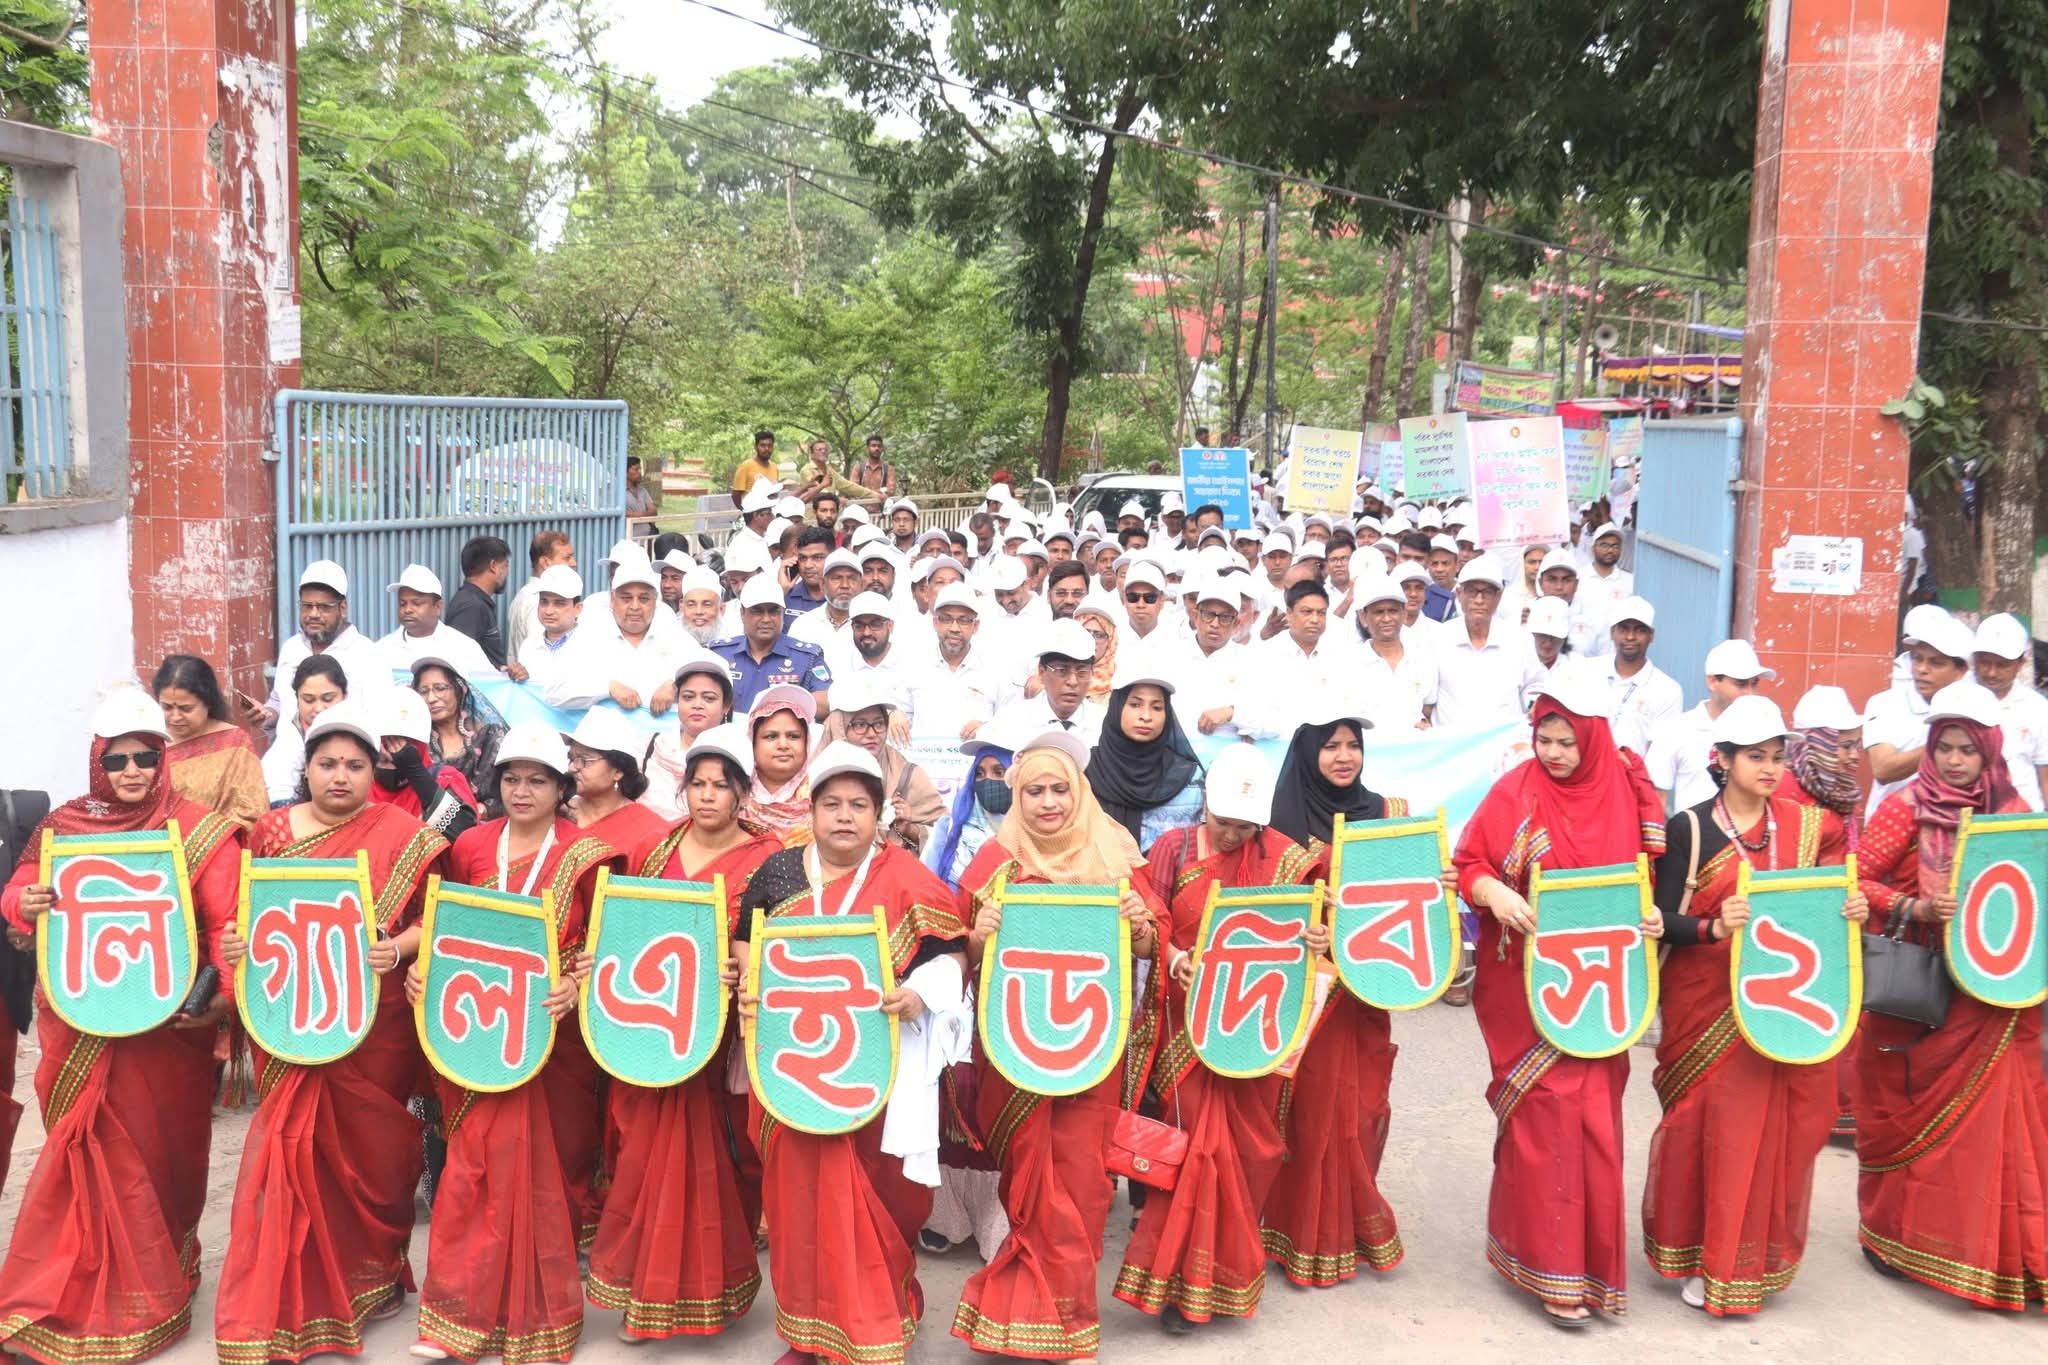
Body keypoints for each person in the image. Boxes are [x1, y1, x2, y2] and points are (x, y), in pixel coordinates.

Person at [0, 690, 243, 1363]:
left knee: (160, 1157)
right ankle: (56, 1294)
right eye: (118, 758)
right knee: (81, 1156)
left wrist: (219, 992)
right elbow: (17, 887)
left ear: (162, 758)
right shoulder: (64, 825)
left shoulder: (197, 828)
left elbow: (226, 922)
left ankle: (156, 1288)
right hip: (83, 1025)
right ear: (97, 761)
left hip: (169, 1031)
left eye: (146, 755)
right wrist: (28, 899)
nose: (133, 769)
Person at [213, 703, 451, 1360]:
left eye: (354, 764)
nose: (340, 776)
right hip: (290, 1017)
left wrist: (398, 948)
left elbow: (439, 918)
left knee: (369, 1157)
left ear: (373, 770)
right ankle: (283, 1296)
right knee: (287, 1150)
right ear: (307, 767)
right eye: (327, 763)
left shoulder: (403, 832)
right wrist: (235, 944)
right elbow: (247, 916)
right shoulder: (270, 831)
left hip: (375, 1022)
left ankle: (371, 1281)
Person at [733, 743, 967, 1365]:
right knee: (797, 1203)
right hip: (788, 1065)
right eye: (831, 804)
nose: (844, 817)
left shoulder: (909, 880)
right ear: (810, 812)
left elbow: (953, 957)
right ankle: (807, 1334)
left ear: (879, 814)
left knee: (879, 1198)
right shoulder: (778, 874)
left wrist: (921, 991)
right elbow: (742, 945)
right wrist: (750, 978)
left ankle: (879, 1321)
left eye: (858, 805)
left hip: (876, 1074)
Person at [1452, 672, 1667, 1326]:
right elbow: (1469, 864)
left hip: (1600, 994)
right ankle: (1549, 1268)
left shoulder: (1624, 796)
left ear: (1594, 740)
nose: (1553, 752)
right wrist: (1498, 895)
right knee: (1545, 1121)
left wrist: (1650, 916)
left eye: (1567, 741)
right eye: (1544, 738)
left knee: (1598, 1126)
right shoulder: (1513, 792)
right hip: (1525, 990)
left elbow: (1639, 884)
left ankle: (1595, 1271)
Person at [405, 724, 620, 1362]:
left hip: (552, 1039)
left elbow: (605, 944)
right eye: (511, 778)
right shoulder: (470, 845)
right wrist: (424, 970)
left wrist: (576, 986)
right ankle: (454, 1322)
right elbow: (444, 924)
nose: (522, 790)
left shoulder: (589, 853)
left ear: (561, 787)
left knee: (543, 1174)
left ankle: (539, 1318)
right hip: (476, 1030)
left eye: (537, 780)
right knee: (471, 1167)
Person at [1641, 696, 1861, 1316]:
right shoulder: (1686, 827)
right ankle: (1703, 1256)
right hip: (1706, 1005)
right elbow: (1659, 920)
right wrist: (1712, 928)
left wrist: (1850, 909)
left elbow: (1828, 899)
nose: (1768, 767)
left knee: (1780, 1133)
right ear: (1723, 759)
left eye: (1776, 756)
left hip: (1783, 1006)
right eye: (1754, 756)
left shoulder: (1807, 825)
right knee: (1711, 1133)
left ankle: (1751, 1258)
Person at [952, 731, 1165, 1360]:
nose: (1048, 803)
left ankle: (1066, 1322)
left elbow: (1155, 943)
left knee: (1078, 1182)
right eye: (1034, 791)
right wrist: (975, 936)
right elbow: (954, 951)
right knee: (1027, 1182)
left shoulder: (1117, 856)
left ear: (1080, 792)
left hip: (1090, 1050)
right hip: (1014, 1053)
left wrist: (1140, 925)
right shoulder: (995, 862)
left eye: (1059, 790)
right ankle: (1018, 1316)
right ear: (1016, 796)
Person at [1850, 680, 2048, 1306]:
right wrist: (1919, 906)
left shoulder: (2017, 815)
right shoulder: (1905, 805)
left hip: (1994, 1000)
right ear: (1930, 747)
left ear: (1990, 751)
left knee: (2004, 1128)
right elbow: (1859, 883)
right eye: (1945, 748)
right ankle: (1892, 1240)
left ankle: (2005, 1256)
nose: (1956, 761)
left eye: (1968, 749)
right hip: (1921, 999)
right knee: (1905, 1119)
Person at [1115, 745, 1322, 1332]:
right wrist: (1172, 951)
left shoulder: (1286, 859)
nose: (1231, 834)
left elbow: (1318, 917)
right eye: (1222, 820)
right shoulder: (1172, 849)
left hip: (1254, 1028)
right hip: (1184, 1028)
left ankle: (1223, 1276)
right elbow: (1146, 918)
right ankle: (1181, 1288)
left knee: (1246, 1152)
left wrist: (1316, 935)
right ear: (1203, 805)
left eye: (1244, 825)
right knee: (1195, 1154)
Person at [586, 725, 781, 1344]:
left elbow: (776, 941)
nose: (705, 796)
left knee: (714, 1165)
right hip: (645, 1036)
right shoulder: (652, 848)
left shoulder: (769, 858)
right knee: (640, 1159)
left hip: (715, 1041)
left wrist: (743, 963)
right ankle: (643, 1296)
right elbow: (623, 926)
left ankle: (700, 1294)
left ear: (742, 794)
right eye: (696, 783)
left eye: (720, 786)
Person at [1260, 707, 1419, 1282]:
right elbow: (1266, 908)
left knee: (1362, 1105)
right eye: (1330, 746)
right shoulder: (1281, 821)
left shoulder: (1386, 815)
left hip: (1368, 989)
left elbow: (1409, 894)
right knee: (1308, 1112)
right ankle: (1296, 1232)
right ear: (1308, 753)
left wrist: (1436, 882)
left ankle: (1347, 1225)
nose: (1344, 756)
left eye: (1352, 744)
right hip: (1309, 991)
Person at [542, 559, 693, 714]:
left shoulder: (675, 637)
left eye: (643, 599)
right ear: (612, 601)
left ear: (655, 602)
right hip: (602, 737)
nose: (635, 607)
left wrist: (676, 684)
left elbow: (712, 673)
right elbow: (553, 691)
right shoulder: (589, 636)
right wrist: (608, 688)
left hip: (662, 736)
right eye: (626, 598)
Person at [1862, 609, 1973, 817]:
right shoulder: (1884, 703)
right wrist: (1942, 742)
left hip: (1949, 827)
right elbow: (1883, 769)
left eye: (1936, 663)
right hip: (1889, 832)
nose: (1922, 669)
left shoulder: (1976, 708)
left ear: (1960, 671)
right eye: (1918, 659)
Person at [1646, 639, 1775, 811]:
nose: (1750, 693)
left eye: (1754, 684)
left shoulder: (1766, 731)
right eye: (1741, 684)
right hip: (1693, 835)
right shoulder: (1676, 730)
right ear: (1713, 681)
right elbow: (1655, 800)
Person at [258, 559, 386, 731]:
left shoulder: (367, 654)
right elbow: (279, 702)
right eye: (307, 606)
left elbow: (380, 718)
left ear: (342, 608)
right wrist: (266, 715)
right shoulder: (291, 648)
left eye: (324, 607)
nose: (313, 614)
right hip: (289, 753)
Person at [822, 676, 946, 853]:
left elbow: (945, 836)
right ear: (838, 727)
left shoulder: (905, 774)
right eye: (859, 724)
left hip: (890, 875)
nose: (872, 733)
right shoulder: (811, 774)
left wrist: (909, 830)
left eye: (879, 724)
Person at [1087, 669, 1205, 851]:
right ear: (1117, 707)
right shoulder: (1087, 769)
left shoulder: (1188, 777)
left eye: (1157, 707)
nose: (1146, 716)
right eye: (1135, 705)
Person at [1430, 556, 1546, 731]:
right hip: (1452, 749)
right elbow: (1424, 696)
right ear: (1459, 594)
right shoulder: (1438, 638)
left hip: (1506, 745)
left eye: (1487, 592)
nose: (1479, 600)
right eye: (1472, 591)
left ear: (1499, 597)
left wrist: (1534, 704)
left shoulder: (1519, 639)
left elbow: (1534, 685)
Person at [155, 652, 269, 828]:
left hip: (218, 848)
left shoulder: (234, 743)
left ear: (207, 702)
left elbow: (252, 811)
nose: (175, 717)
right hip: (159, 849)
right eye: (167, 707)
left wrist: (204, 837)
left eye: (186, 708)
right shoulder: (150, 742)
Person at [710, 577, 833, 716]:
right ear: (742, 613)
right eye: (757, 611)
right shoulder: (719, 654)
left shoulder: (807, 657)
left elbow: (827, 702)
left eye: (774, 611)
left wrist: (781, 707)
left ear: (783, 613)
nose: (766, 619)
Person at [565, 706, 669, 870]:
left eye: (585, 759)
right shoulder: (558, 813)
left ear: (618, 771)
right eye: (571, 758)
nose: (573, 768)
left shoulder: (649, 828)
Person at [371, 688, 480, 842]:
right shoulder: (360, 787)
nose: (392, 768)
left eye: (400, 761)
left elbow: (466, 838)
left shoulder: (445, 779)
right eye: (384, 761)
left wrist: (416, 774)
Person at [641, 654, 735, 822]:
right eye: (688, 697)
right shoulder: (650, 747)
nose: (697, 705)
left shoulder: (739, 754)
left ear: (726, 706)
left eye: (709, 698)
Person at [1971, 611, 2048, 811]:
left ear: (2020, 663)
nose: (1991, 672)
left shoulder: (2037, 708)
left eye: (2002, 665)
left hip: (2025, 819)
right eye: (1984, 662)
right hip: (1971, 813)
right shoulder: (1956, 699)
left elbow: (2045, 777)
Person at [983, 621, 1107, 745]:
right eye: (1061, 671)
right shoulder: (1010, 720)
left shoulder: (1105, 724)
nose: (1073, 682)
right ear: (1042, 673)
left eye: (1082, 672)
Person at [414, 659, 507, 819]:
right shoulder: (415, 738)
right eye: (423, 691)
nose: (431, 698)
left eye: (440, 688)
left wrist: (480, 810)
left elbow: (506, 793)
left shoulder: (489, 736)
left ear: (460, 689)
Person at [1594, 596, 1684, 756]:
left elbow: (1660, 753)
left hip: (1631, 779)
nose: (1630, 637)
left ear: (1652, 635)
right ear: (1612, 633)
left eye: (1640, 630)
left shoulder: (1667, 690)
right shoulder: (1588, 671)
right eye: (1623, 629)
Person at [262, 653, 352, 807]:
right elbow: (278, 785)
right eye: (308, 700)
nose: (318, 708)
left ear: (345, 695)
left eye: (328, 699)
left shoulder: (362, 733)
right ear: (297, 700)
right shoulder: (290, 737)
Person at [380, 565, 496, 679]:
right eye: (402, 603)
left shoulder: (464, 648)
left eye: (416, 603)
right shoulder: (382, 650)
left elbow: (492, 686)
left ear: (438, 607)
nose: (408, 610)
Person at [741, 684, 817, 843]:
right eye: (771, 736)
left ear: (807, 743)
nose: (783, 745)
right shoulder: (735, 795)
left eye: (793, 736)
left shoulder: (820, 796)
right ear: (753, 742)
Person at [445, 534, 519, 675]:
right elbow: (459, 663)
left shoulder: (475, 602)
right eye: (505, 566)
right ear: (493, 566)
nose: (508, 572)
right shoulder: (470, 607)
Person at [508, 531, 578, 661]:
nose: (574, 563)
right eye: (567, 558)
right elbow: (544, 652)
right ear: (545, 562)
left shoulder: (524, 595)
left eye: (559, 603)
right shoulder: (535, 600)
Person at [514, 564, 584, 685]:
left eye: (559, 603)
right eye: (544, 602)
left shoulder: (592, 646)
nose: (548, 611)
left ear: (577, 609)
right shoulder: (529, 646)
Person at [731, 429, 779, 499]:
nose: (766, 448)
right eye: (762, 445)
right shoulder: (746, 466)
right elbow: (735, 495)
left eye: (770, 445)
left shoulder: (774, 467)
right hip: (752, 509)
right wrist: (745, 509)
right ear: (756, 447)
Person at [624, 454, 659, 526]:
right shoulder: (616, 491)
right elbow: (624, 515)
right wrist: (646, 514)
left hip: (648, 535)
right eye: (636, 469)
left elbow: (654, 512)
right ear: (625, 472)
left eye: (640, 469)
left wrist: (636, 515)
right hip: (628, 535)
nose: (639, 472)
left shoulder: (642, 491)